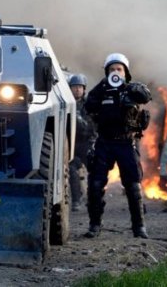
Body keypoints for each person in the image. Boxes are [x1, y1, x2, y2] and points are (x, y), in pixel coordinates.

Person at [83, 53, 152, 239]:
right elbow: (88, 105)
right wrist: (103, 88)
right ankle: (95, 225)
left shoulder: (131, 88)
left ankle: (139, 227)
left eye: (119, 69)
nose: (115, 72)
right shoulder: (102, 89)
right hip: (104, 142)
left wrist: (132, 90)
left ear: (125, 72)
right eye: (112, 69)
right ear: (107, 72)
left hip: (126, 142)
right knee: (95, 184)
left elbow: (146, 96)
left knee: (133, 185)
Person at [68, 73, 96, 211]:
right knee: (72, 170)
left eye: (80, 87)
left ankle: (93, 200)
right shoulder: (66, 105)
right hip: (72, 144)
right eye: (74, 87)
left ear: (84, 89)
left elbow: (92, 125)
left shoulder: (89, 105)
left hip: (86, 142)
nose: (77, 90)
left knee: (95, 171)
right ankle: (76, 201)